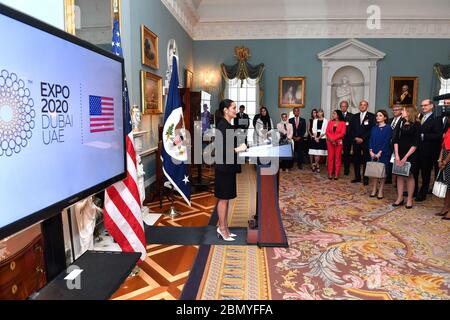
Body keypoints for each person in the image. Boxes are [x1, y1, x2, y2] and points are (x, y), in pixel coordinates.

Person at [214, 99, 247, 241]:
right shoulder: (223, 126)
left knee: (226, 199)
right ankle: (222, 229)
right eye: (233, 107)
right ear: (226, 110)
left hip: (228, 167)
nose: (235, 110)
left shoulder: (228, 125)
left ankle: (225, 226)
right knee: (223, 199)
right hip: (223, 168)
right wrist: (238, 148)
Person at [392, 105, 420, 209]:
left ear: (409, 112)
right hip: (399, 153)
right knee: (399, 175)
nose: (401, 112)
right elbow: (395, 140)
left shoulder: (417, 124)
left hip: (411, 154)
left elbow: (416, 143)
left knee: (409, 176)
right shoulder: (401, 122)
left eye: (403, 110)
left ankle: (409, 199)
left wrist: (405, 157)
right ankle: (399, 198)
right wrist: (397, 155)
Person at [414, 99, 442, 202]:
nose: (423, 107)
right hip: (416, 150)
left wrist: (423, 136)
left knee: (425, 173)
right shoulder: (419, 117)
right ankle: (414, 190)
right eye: (422, 105)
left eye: (425, 105)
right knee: (415, 172)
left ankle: (423, 193)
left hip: (428, 151)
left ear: (431, 106)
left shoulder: (436, 119)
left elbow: (438, 135)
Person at [349, 100, 376, 185]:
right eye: (361, 105)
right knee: (356, 160)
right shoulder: (354, 116)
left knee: (366, 160)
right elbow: (351, 129)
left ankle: (365, 178)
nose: (362, 106)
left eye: (364, 105)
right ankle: (357, 177)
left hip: (366, 141)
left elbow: (372, 129)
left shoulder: (372, 116)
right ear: (359, 106)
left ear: (367, 106)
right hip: (356, 141)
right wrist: (355, 138)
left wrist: (363, 138)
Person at [369, 110, 393, 199]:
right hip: (373, 152)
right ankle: (374, 189)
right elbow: (370, 139)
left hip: (384, 153)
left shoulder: (388, 128)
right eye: (377, 115)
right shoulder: (374, 128)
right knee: (375, 171)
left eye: (380, 115)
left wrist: (380, 152)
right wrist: (370, 150)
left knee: (383, 172)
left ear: (385, 117)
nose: (378, 117)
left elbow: (387, 141)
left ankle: (381, 190)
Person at [436, 115, 450, 220]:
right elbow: (443, 145)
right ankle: (445, 208)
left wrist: (445, 161)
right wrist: (440, 159)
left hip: (448, 159)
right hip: (445, 157)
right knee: (447, 186)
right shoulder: (449, 129)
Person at [326, 110, 346, 180]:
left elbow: (342, 133)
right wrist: (331, 139)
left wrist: (333, 139)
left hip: (338, 143)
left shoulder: (343, 123)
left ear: (338, 115)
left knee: (338, 158)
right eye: (333, 113)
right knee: (330, 158)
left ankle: (336, 174)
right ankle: (330, 173)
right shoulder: (330, 122)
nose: (333, 114)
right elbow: (327, 131)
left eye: (334, 113)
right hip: (330, 143)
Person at [387, 105, 403, 186]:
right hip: (388, 144)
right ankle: (389, 178)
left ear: (401, 111)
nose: (394, 111)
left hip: (398, 145)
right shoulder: (390, 120)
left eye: (397, 110)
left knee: (396, 162)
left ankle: (397, 181)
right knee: (389, 161)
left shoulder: (403, 120)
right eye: (393, 110)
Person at [340, 101, 353, 175]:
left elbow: (352, 128)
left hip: (347, 139)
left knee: (346, 156)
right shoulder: (337, 115)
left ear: (347, 107)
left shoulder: (351, 116)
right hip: (338, 139)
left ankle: (346, 170)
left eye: (345, 106)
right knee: (337, 155)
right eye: (342, 106)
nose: (343, 107)